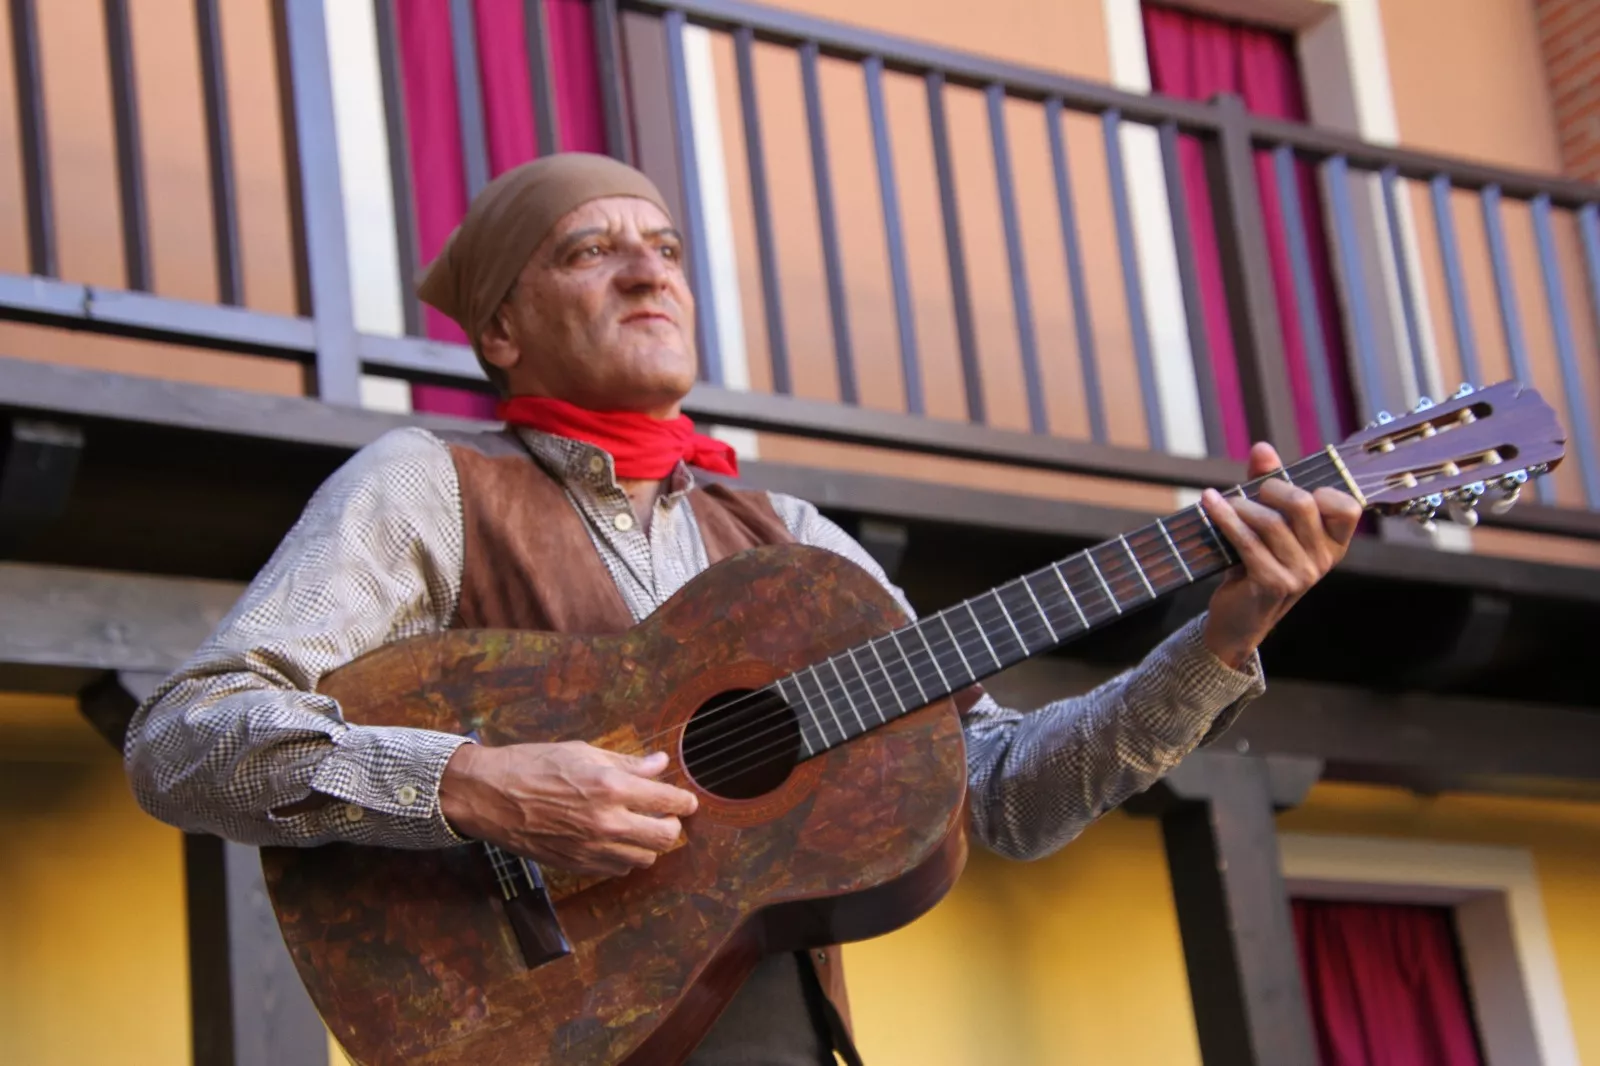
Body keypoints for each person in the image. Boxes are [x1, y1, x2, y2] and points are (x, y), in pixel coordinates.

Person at [124, 153, 1361, 1065]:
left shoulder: (791, 541)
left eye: (661, 244)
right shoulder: (429, 486)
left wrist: (1220, 636)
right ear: (500, 326)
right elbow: (183, 737)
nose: (646, 266)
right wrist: (473, 783)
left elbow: (1005, 794)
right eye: (588, 247)